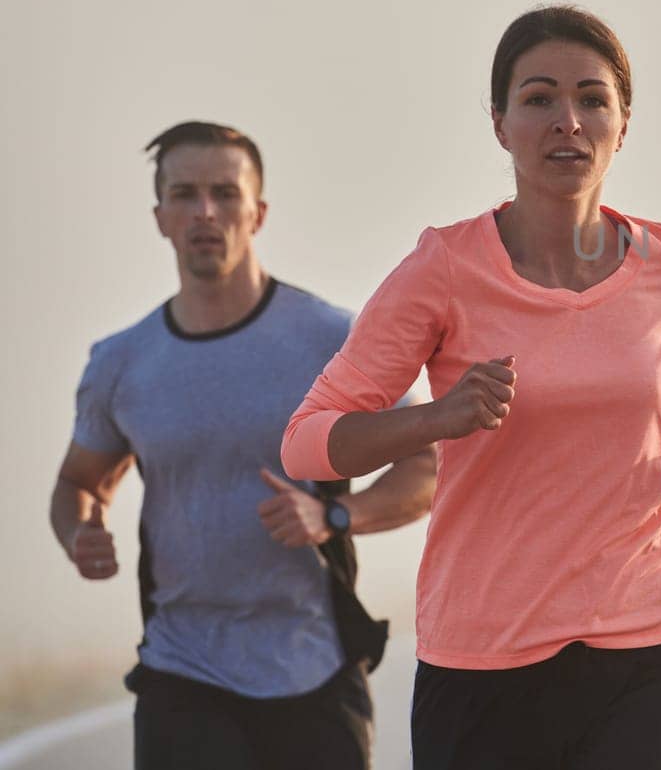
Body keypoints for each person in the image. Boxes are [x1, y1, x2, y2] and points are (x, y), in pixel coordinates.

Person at [281, 4, 661, 770]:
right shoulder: (442, 270)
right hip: (486, 659)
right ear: (500, 124)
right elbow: (308, 444)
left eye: (591, 99)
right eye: (540, 98)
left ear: (623, 123)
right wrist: (438, 420)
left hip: (646, 643)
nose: (567, 121)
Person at [51, 120, 437, 770]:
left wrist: (336, 516)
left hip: (311, 664)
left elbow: (425, 459)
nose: (207, 212)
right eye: (186, 194)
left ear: (257, 212)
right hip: (182, 668)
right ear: (161, 216)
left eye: (226, 194)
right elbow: (79, 486)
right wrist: (79, 533)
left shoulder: (330, 339)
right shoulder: (121, 363)